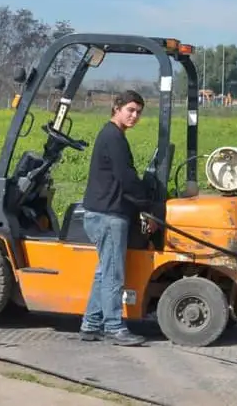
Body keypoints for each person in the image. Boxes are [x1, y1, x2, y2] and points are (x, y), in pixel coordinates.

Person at [78, 90, 155, 346]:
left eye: (139, 112)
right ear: (117, 107)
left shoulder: (113, 135)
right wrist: (147, 204)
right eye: (131, 110)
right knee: (113, 275)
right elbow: (126, 178)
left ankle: (90, 324)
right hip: (107, 215)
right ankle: (113, 327)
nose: (134, 116)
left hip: (103, 212)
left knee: (104, 272)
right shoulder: (113, 137)